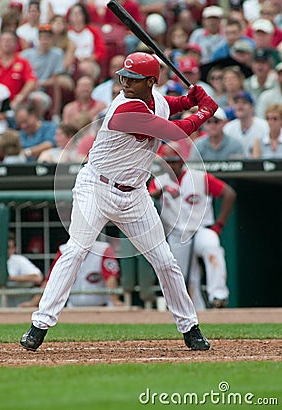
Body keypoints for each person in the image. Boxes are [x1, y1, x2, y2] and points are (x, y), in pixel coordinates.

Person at [20, 51, 219, 352]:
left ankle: (189, 327)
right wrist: (205, 110)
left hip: (134, 194)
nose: (125, 83)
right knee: (75, 250)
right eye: (124, 77)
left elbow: (169, 106)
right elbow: (177, 130)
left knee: (164, 260)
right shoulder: (124, 110)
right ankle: (39, 325)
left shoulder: (156, 101)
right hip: (96, 187)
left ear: (151, 81)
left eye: (134, 79)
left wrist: (191, 99)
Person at [149, 142, 235, 309]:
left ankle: (218, 296)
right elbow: (148, 197)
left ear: (182, 161)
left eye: (175, 161)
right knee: (183, 276)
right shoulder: (160, 181)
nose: (172, 165)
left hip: (201, 229)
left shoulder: (199, 177)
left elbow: (229, 193)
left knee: (212, 246)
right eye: (168, 161)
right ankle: (196, 310)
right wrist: (157, 194)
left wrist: (219, 225)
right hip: (177, 234)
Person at [20, 240, 122, 308]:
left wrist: (115, 300)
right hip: (74, 308)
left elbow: (111, 278)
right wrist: (34, 302)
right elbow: (51, 280)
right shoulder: (64, 250)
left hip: (101, 307)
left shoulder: (103, 249)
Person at [0, 234, 43, 307]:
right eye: (1, 246)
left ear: (14, 249)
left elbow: (38, 278)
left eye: (8, 247)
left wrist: (10, 278)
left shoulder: (19, 260)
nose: (4, 249)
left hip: (16, 306)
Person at [223, 90, 269, 158]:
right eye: (236, 102)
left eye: (244, 102)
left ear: (252, 107)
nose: (239, 105)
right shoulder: (228, 128)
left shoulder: (264, 126)